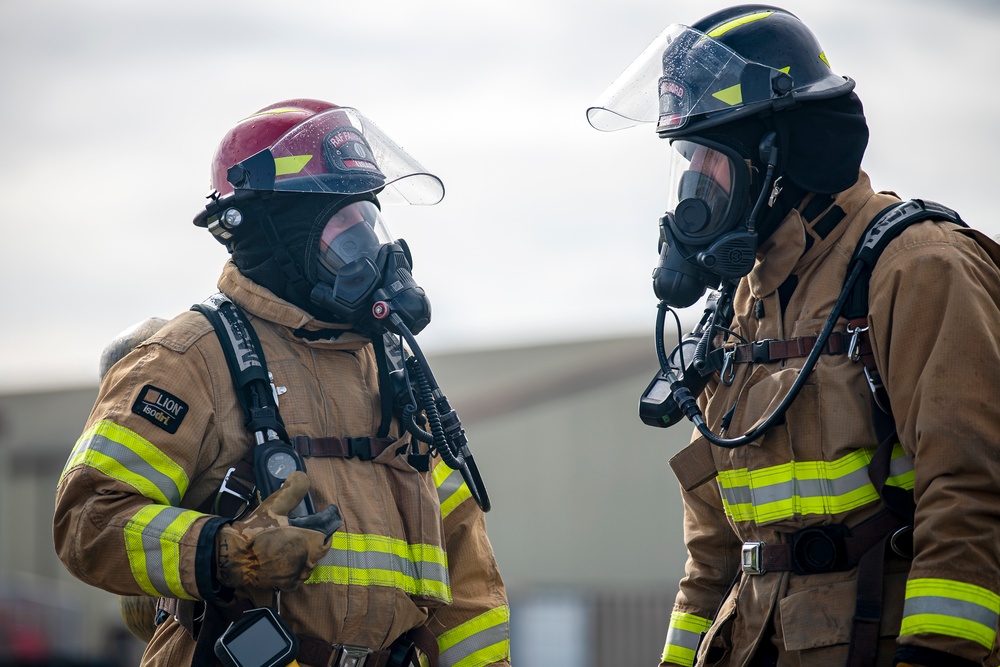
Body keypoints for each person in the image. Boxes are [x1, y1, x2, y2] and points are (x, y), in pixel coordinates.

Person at [588, 6, 1000, 667]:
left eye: (708, 159)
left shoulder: (917, 267)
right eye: (687, 160)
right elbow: (715, 550)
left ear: (777, 155)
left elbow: (971, 491)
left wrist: (939, 656)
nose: (693, 190)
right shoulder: (743, 306)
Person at [53, 98, 511, 667]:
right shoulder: (190, 358)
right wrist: (224, 553)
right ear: (279, 236)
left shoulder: (392, 372)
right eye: (342, 227)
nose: (370, 249)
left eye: (368, 222)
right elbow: (88, 520)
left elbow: (466, 578)